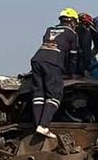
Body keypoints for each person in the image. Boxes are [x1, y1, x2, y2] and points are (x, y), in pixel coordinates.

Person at [30, 8, 80, 139]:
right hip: (53, 62)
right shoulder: (72, 34)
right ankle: (44, 126)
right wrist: (72, 74)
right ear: (73, 22)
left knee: (38, 94)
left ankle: (37, 125)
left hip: (37, 59)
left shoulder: (49, 29)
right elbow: (72, 57)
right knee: (55, 95)